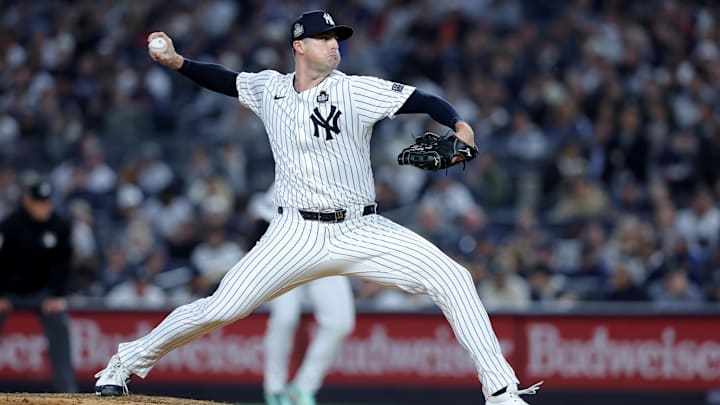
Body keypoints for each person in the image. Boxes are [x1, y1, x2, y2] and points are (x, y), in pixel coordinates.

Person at [94, 10, 542, 404]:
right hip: (294, 233)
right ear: (299, 46)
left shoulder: (354, 91)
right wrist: (177, 63)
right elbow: (224, 79)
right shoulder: (269, 88)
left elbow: (421, 100)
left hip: (362, 229)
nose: (335, 46)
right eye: (326, 39)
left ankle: (501, 391)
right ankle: (123, 362)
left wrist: (460, 125)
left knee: (454, 277)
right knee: (220, 309)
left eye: (337, 39)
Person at [248, 185, 355, 405]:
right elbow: (261, 215)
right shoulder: (300, 166)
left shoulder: (350, 174)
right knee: (285, 317)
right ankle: (274, 390)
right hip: (287, 251)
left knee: (341, 322)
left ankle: (301, 389)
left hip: (327, 249)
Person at [0, 173, 78, 393]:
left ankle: (67, 392)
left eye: (47, 202)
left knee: (60, 322)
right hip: (9, 292)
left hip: (43, 293)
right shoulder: (9, 226)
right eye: (39, 203)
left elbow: (63, 264)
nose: (44, 207)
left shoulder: (59, 226)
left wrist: (56, 295)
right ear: (27, 201)